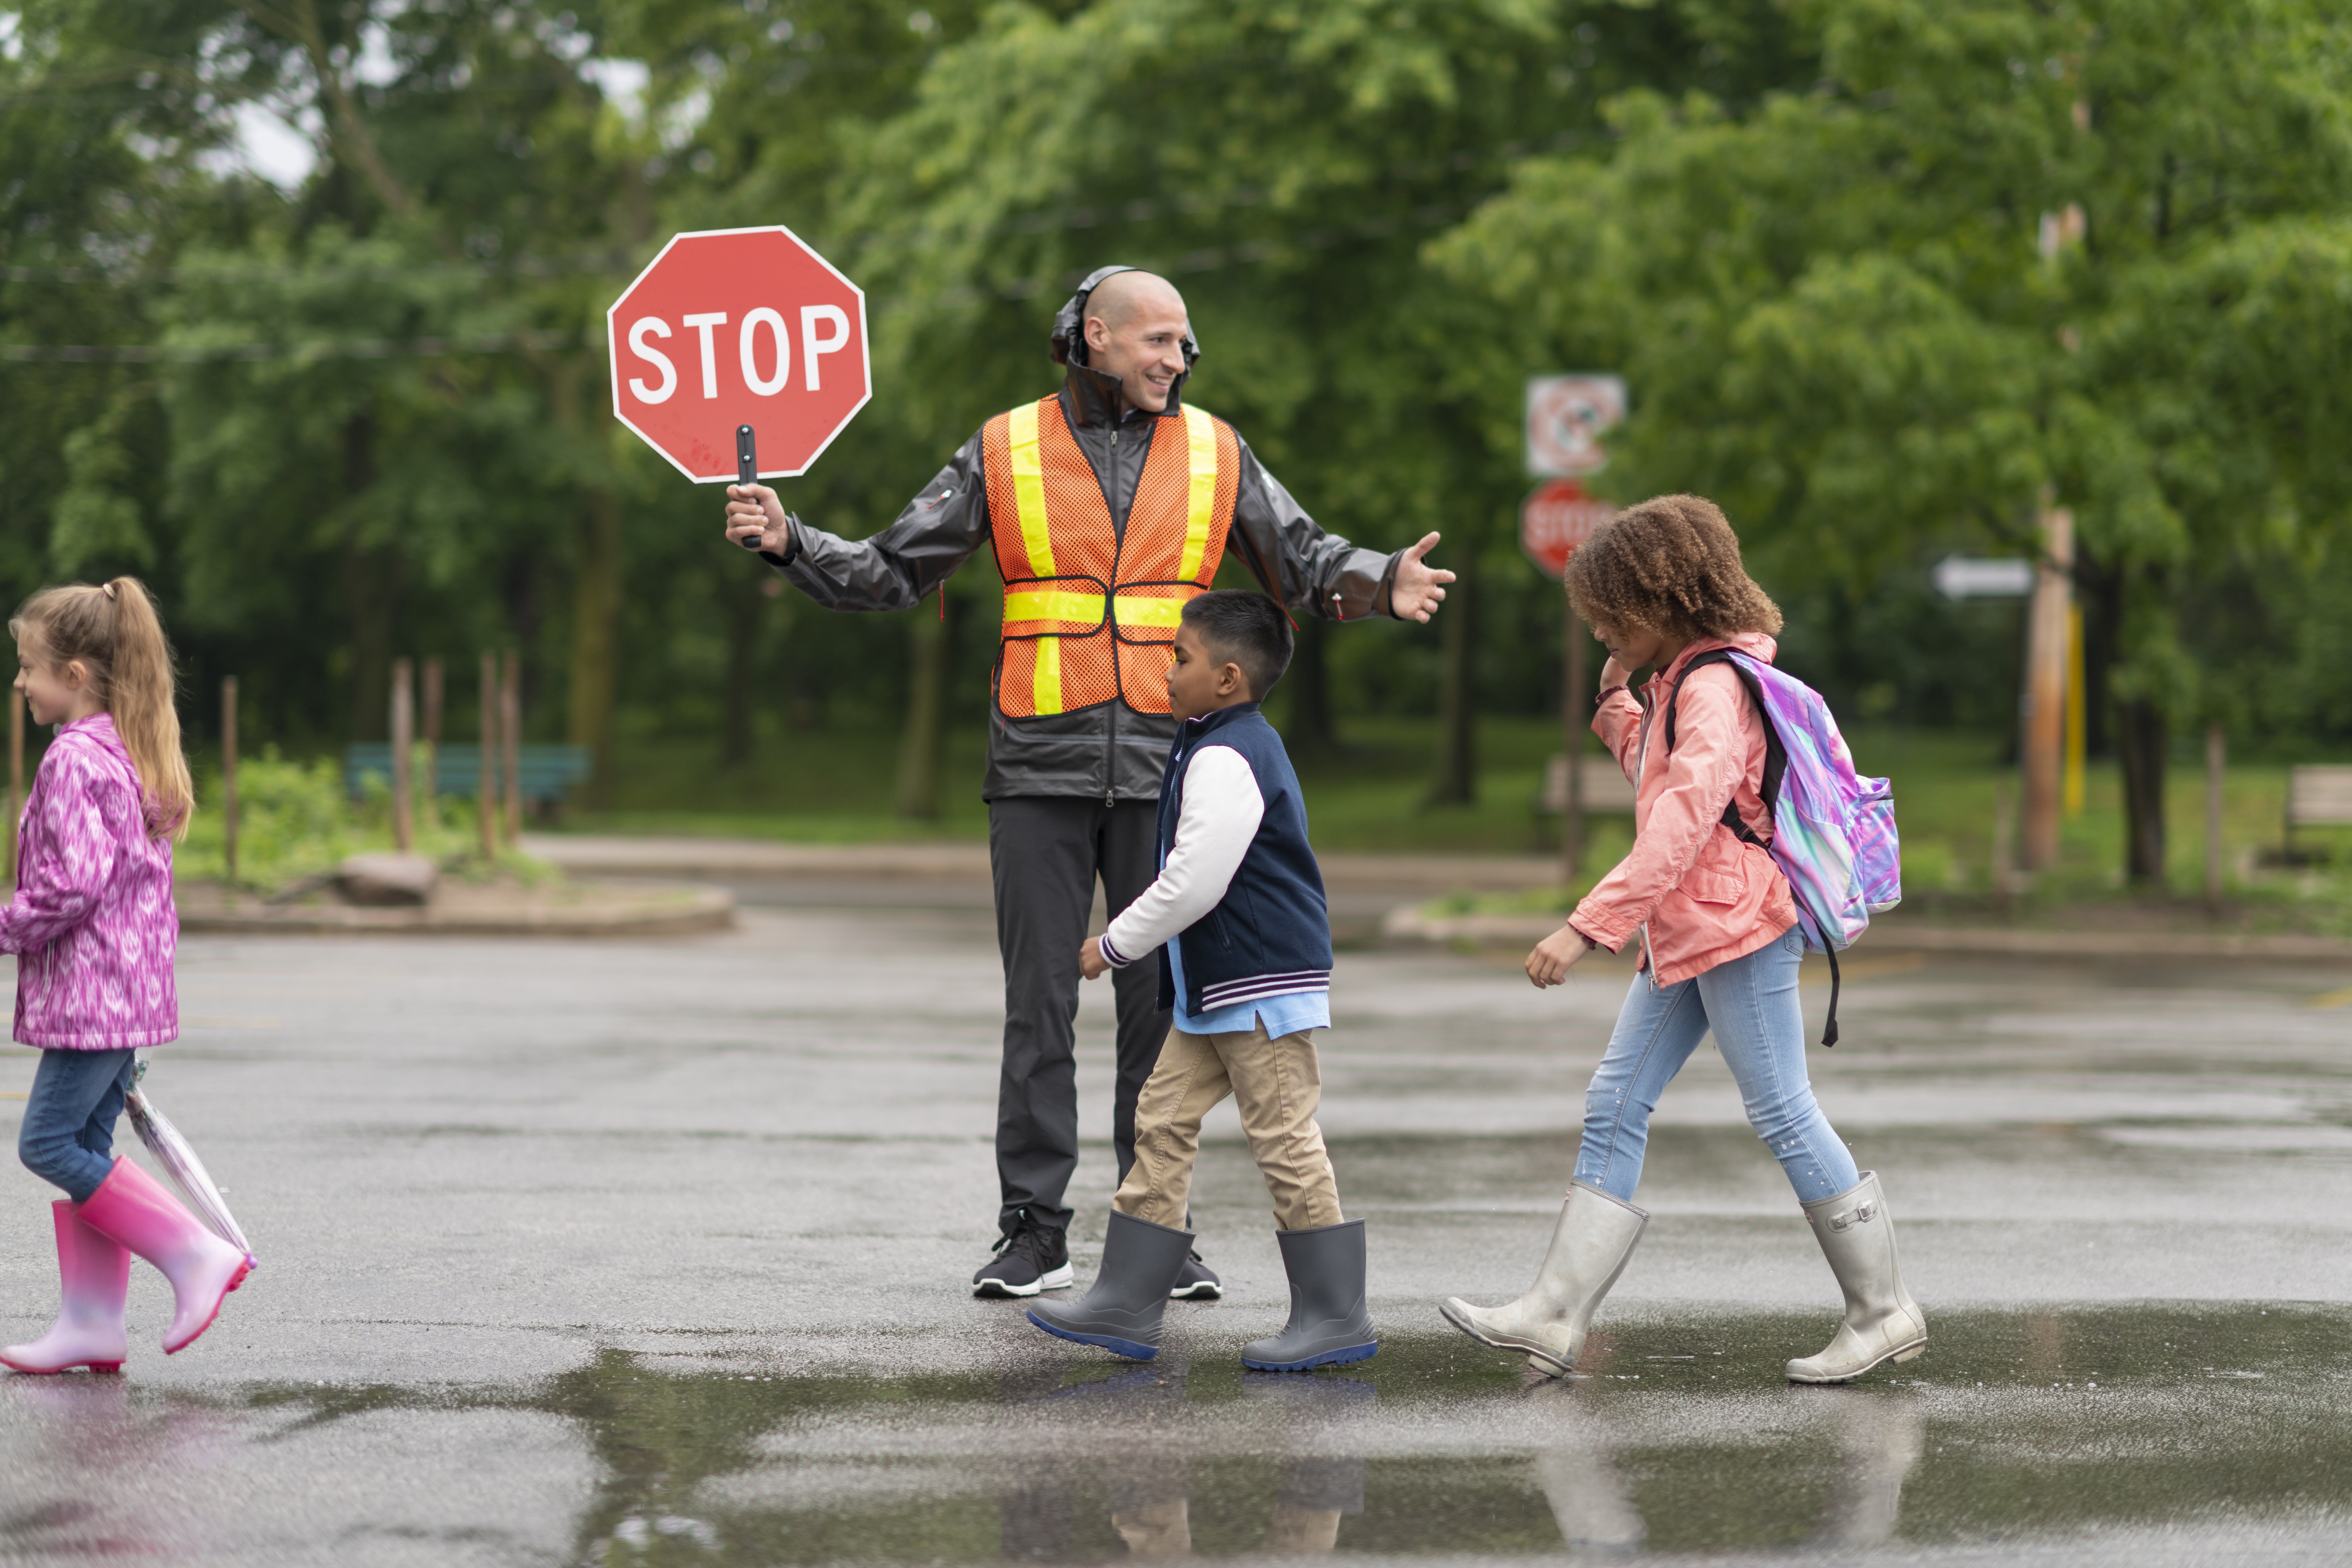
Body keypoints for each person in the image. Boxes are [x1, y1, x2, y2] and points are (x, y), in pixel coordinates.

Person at [725, 267, 1452, 1298]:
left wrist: (1384, 577)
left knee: (1166, 1008)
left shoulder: (1215, 448)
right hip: (1036, 761)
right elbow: (893, 568)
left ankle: (1159, 1232)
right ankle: (1033, 1231)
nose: (1178, 359)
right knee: (1040, 1005)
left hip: (1172, 762)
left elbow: (1302, 556)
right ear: (1094, 336)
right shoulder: (1004, 445)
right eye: (1158, 340)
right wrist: (791, 539)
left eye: (1186, 344)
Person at [1440, 496, 1925, 1384]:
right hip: (1690, 929)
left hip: (1732, 926)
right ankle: (1552, 1315)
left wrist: (1586, 925)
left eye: (1607, 621)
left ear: (1657, 606)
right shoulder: (1686, 682)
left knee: (1781, 1109)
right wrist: (1616, 701)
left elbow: (1682, 819)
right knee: (1614, 1103)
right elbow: (1661, 776)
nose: (1599, 634)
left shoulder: (1710, 685)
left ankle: (1881, 1309)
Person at [1026, 591, 1374, 1372]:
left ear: (1225, 678)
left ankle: (1332, 1313)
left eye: (1178, 656)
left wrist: (1114, 944)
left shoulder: (1228, 753)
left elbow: (1195, 881)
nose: (1167, 667)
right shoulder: (1211, 741)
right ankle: (1126, 1298)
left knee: (1283, 1137)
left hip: (1259, 981)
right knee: (1162, 1115)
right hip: (1219, 988)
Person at [0, 579, 251, 1376]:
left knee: (46, 1142)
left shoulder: (75, 756)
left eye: (29, 667)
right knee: (86, 1145)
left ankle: (193, 1255)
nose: (19, 682)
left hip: (93, 996)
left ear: (75, 674)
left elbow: (72, 885)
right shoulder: (128, 747)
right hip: (129, 991)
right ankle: (92, 1323)